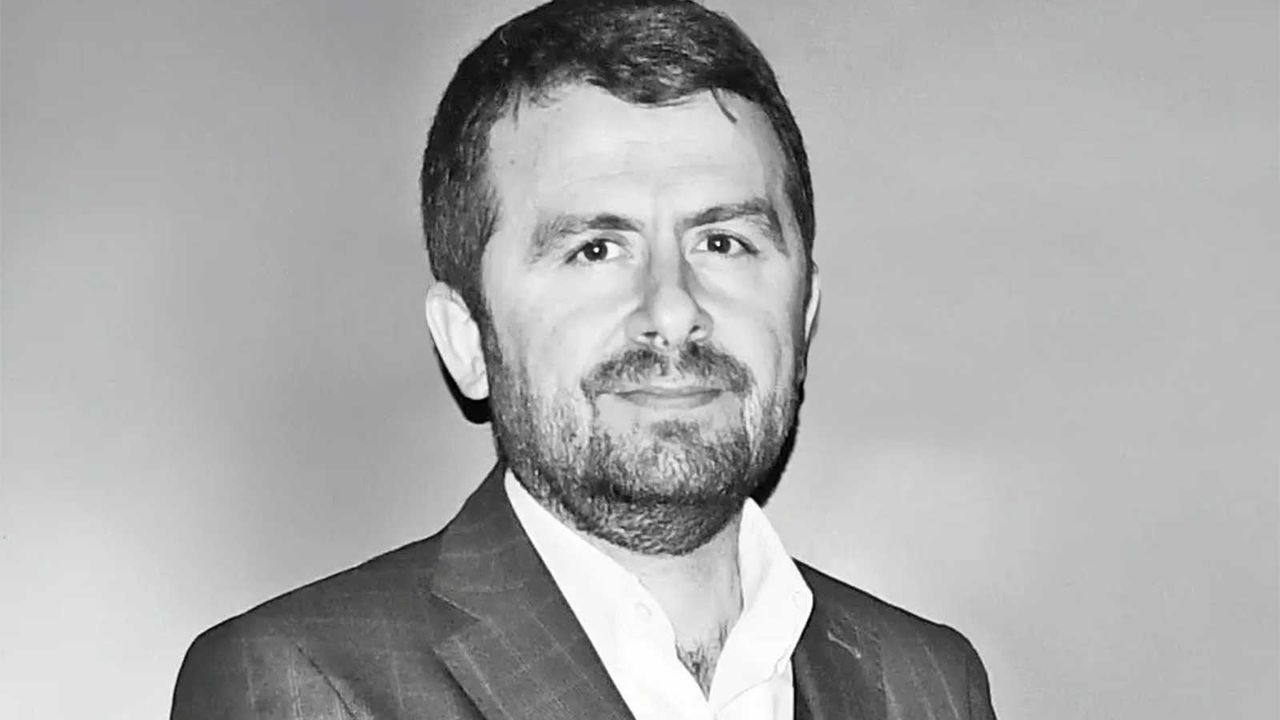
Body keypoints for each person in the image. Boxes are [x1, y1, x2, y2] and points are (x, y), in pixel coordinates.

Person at [171, 1, 997, 718]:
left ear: (803, 312)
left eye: (723, 241)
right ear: (467, 340)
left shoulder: (926, 684)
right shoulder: (301, 686)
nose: (672, 308)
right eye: (596, 249)